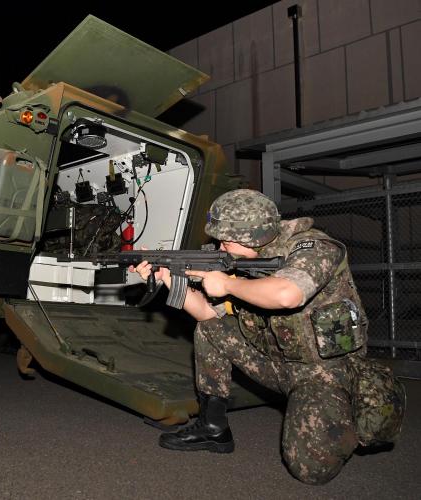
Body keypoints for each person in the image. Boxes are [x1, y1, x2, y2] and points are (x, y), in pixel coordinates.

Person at [131, 188, 405, 485]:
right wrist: (169, 279)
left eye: (226, 240)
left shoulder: (316, 248)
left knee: (311, 469)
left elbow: (287, 294)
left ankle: (351, 411)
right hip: (275, 362)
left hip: (323, 372)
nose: (219, 246)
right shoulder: (236, 259)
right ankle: (212, 428)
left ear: (255, 237)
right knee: (211, 329)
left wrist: (226, 285)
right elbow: (207, 316)